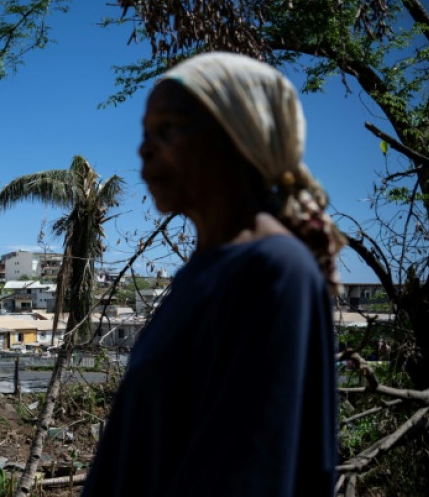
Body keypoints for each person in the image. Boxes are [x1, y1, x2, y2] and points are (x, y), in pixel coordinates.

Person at [81, 52, 344, 496]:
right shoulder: (200, 275)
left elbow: (250, 469)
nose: (144, 149)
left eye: (168, 128)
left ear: (238, 137)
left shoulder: (274, 271)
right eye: (145, 133)